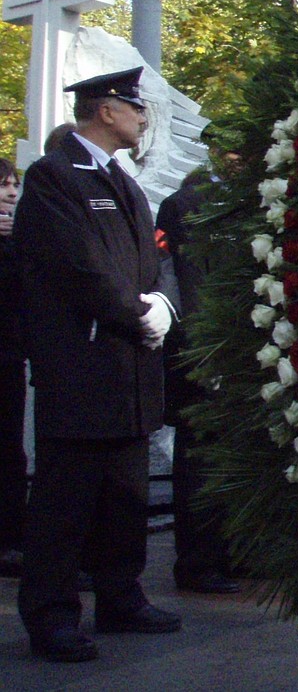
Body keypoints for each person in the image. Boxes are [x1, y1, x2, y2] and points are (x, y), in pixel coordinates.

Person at [15, 66, 182, 663]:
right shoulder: (55, 176)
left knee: (124, 496)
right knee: (65, 503)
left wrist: (162, 301)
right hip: (83, 364)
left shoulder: (125, 183)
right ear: (105, 110)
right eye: (134, 107)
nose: (142, 118)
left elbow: (152, 255)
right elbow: (76, 265)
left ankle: (121, 595)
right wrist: (133, 311)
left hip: (130, 367)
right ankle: (53, 614)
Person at [155, 170, 241, 595]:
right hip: (205, 353)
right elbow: (188, 283)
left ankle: (231, 554)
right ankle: (200, 560)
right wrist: (207, 349)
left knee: (228, 456)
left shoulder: (241, 204)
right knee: (200, 457)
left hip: (232, 350)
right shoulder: (186, 205)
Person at [0, 159, 25, 578]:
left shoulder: (15, 238)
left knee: (8, 450)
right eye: (3, 185)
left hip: (8, 357)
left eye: (14, 185)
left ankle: (9, 540)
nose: (11, 193)